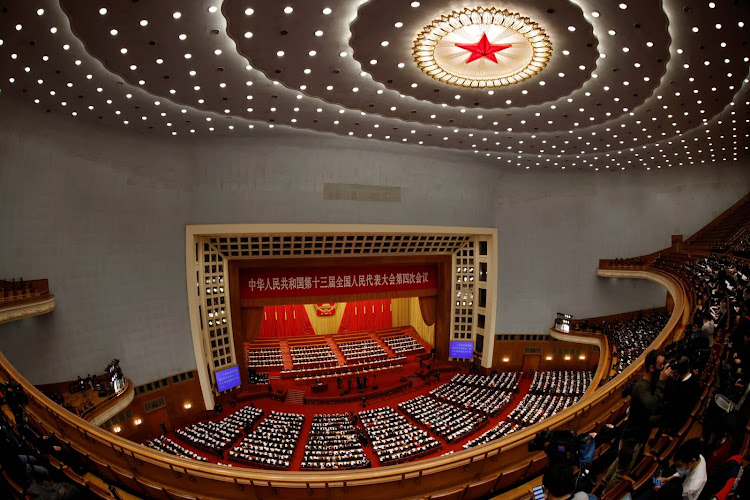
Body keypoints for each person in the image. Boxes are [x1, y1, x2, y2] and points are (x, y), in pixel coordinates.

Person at [599, 349, 672, 494]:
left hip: (634, 435)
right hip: (632, 438)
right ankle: (604, 495)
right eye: (661, 366)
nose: (664, 369)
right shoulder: (642, 387)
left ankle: (603, 484)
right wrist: (662, 383)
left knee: (619, 463)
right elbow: (652, 406)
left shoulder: (650, 384)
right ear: (652, 368)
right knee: (620, 473)